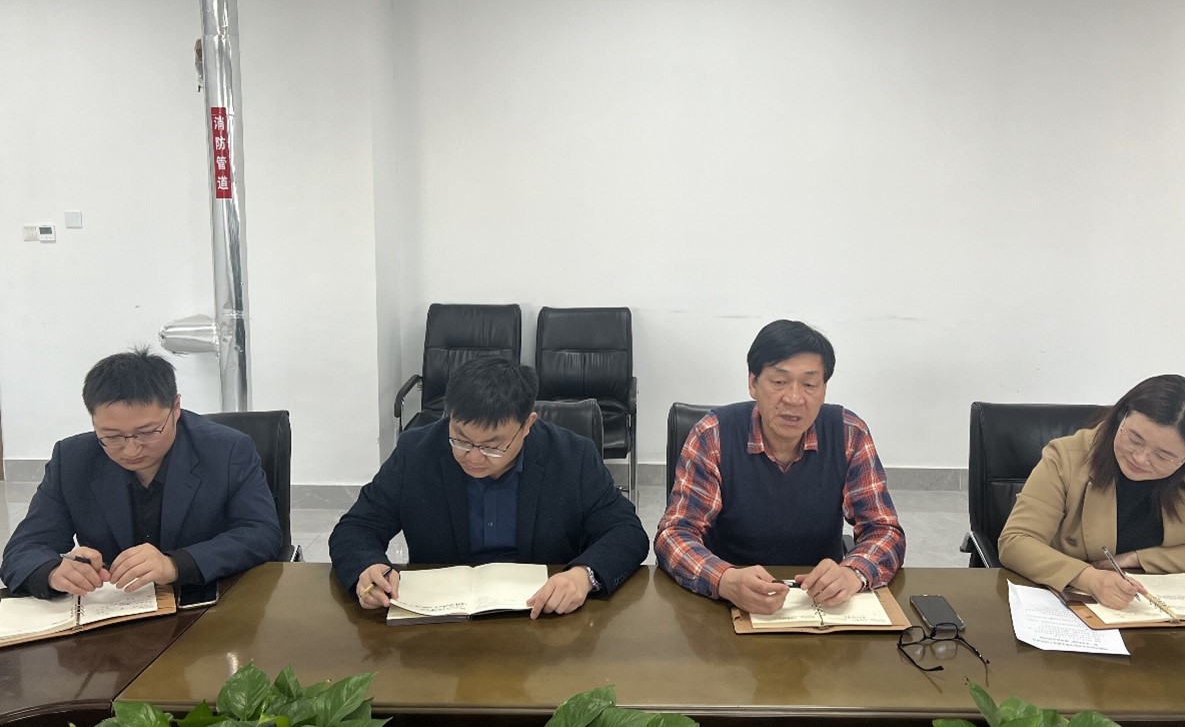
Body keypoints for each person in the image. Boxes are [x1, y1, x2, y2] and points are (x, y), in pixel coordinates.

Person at [329, 356, 648, 618]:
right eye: (461, 440)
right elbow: (356, 527)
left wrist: (583, 576)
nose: (474, 457)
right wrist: (368, 568)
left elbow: (626, 531)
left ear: (527, 425)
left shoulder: (572, 456)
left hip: (545, 618)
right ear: (449, 416)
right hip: (442, 622)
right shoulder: (416, 452)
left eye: (493, 446)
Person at [655, 319, 905, 616]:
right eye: (779, 382)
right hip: (728, 601)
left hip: (817, 603)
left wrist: (853, 572)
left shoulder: (849, 434)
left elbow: (884, 530)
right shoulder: (713, 435)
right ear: (753, 383)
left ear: (824, 389)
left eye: (809, 384)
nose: (794, 398)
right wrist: (724, 580)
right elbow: (674, 534)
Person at [0, 348, 282, 598]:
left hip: (205, 604)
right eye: (112, 436)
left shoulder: (227, 450)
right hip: (116, 612)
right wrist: (53, 572)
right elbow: (24, 549)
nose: (131, 449)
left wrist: (176, 564)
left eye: (147, 432)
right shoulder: (72, 459)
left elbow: (261, 533)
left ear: (176, 408)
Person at [998, 374, 1185, 609]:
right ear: (1121, 417)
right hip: (1075, 603)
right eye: (1135, 439)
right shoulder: (1066, 457)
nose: (1140, 458)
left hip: (1157, 608)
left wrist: (1137, 559)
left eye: (1163, 456)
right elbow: (1016, 541)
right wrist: (1088, 578)